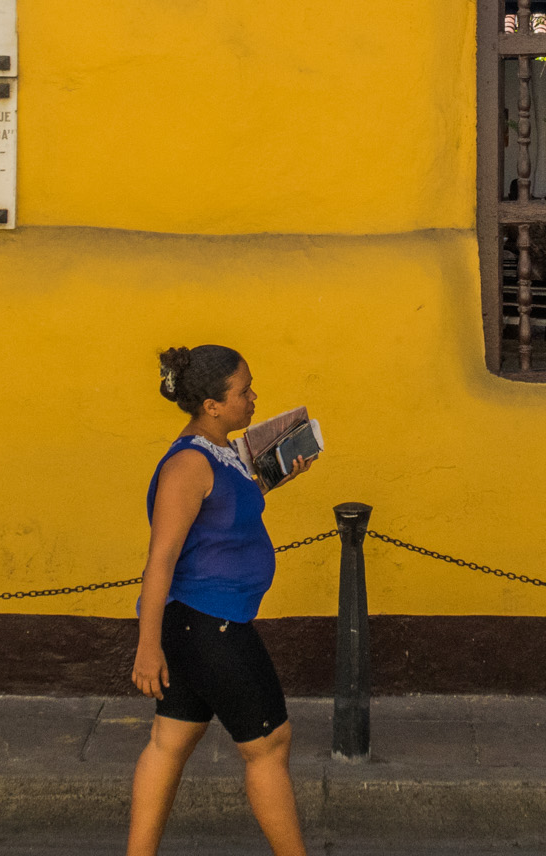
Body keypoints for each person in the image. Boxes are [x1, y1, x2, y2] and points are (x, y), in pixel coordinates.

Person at [127, 344, 318, 856]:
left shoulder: (222, 452)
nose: (253, 398)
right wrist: (147, 648)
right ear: (212, 404)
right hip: (212, 625)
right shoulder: (188, 464)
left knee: (169, 745)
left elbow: (226, 509)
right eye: (243, 391)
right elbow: (161, 559)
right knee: (269, 747)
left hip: (201, 624)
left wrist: (278, 473)